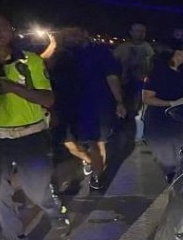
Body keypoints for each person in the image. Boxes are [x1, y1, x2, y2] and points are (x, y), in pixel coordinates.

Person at [0, 12, 70, 240]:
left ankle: (52, 208)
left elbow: (48, 99)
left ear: (11, 29)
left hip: (30, 137)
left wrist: (11, 87)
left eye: (0, 25)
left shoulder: (30, 60)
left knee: (36, 191)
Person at [50, 26, 126, 190]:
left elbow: (112, 77)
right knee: (69, 142)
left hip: (96, 105)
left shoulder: (100, 51)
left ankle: (97, 176)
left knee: (96, 143)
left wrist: (119, 101)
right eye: (68, 33)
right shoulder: (61, 54)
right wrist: (53, 47)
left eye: (75, 33)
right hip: (66, 106)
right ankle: (90, 161)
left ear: (85, 33)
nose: (72, 37)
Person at [142, 41, 183, 183]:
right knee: (170, 162)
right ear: (175, 54)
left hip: (182, 122)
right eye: (182, 51)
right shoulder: (159, 73)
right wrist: (171, 103)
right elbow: (147, 98)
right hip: (162, 123)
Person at [113, 23, 154, 145]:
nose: (140, 34)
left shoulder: (148, 48)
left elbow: (151, 66)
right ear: (131, 32)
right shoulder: (122, 48)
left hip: (141, 85)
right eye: (137, 31)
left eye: (142, 31)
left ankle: (136, 135)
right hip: (123, 84)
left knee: (137, 111)